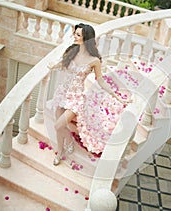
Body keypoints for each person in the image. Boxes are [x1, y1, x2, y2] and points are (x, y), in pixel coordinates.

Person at [47, 23, 131, 166]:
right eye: (75, 33)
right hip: (62, 92)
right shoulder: (72, 51)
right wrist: (53, 65)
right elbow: (62, 63)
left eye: (78, 35)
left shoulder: (94, 60)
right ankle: (60, 153)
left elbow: (101, 81)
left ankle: (68, 141)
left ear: (86, 38)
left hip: (76, 98)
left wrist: (115, 96)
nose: (75, 36)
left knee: (58, 126)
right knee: (60, 127)